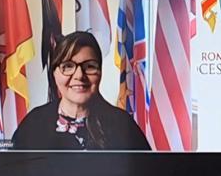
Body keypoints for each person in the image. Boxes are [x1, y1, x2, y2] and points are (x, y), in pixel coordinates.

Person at [12, 31, 151, 150]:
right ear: (54, 74)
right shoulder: (34, 124)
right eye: (68, 66)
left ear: (100, 72)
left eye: (90, 66)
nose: (79, 75)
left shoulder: (124, 127)